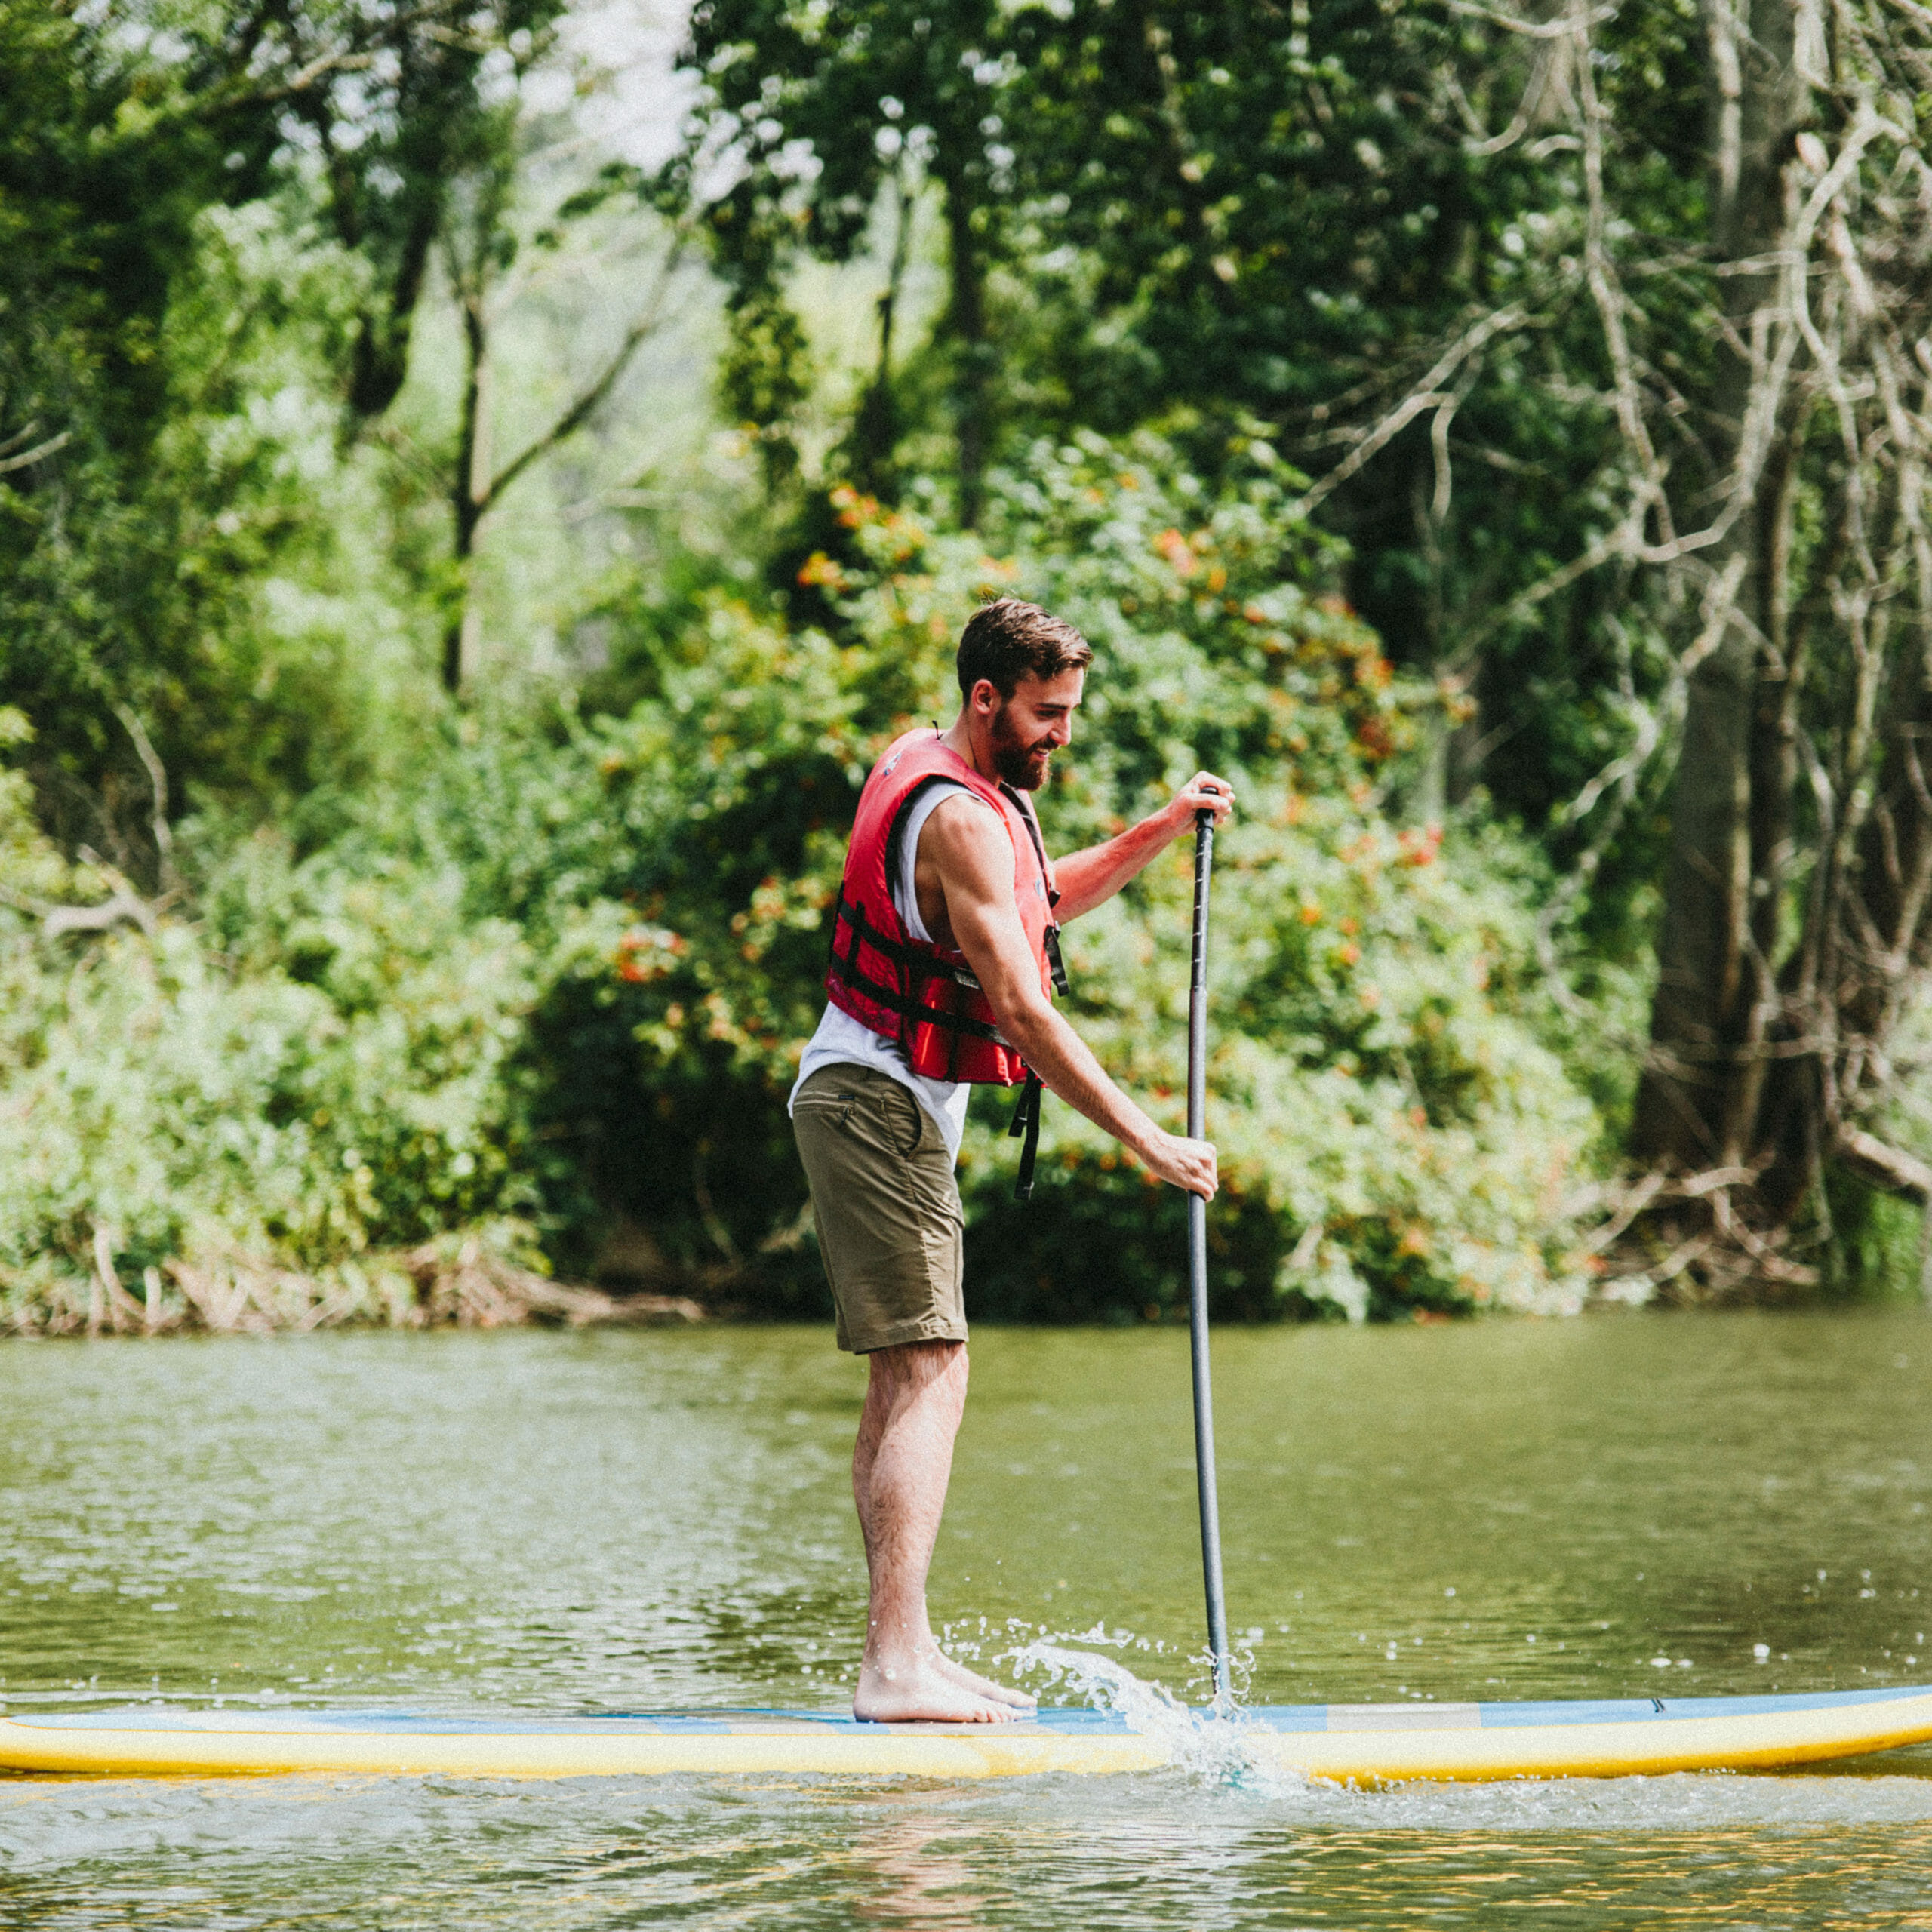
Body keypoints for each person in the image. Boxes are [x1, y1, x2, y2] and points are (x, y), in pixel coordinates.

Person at [789, 598, 1235, 1723]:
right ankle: (894, 1665)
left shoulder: (946, 774)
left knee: (910, 1374)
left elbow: (1038, 903)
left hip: (879, 1105)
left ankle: (906, 1652)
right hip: (873, 1105)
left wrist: (1163, 827)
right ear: (985, 697)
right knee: (931, 1370)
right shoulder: (960, 820)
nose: (1062, 738)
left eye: (1071, 714)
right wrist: (1152, 1143)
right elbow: (1025, 1014)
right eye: (1046, 715)